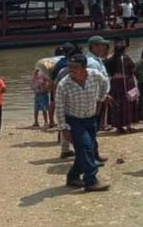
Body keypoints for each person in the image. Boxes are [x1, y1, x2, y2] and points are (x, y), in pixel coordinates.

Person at [56, 54, 111, 192]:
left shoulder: (94, 75)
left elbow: (106, 82)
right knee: (85, 148)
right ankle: (91, 180)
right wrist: (64, 128)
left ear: (84, 68)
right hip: (74, 120)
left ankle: (73, 177)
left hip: (90, 118)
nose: (71, 70)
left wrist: (101, 98)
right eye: (70, 67)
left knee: (87, 150)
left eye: (75, 67)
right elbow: (59, 107)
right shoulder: (64, 84)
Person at [105, 38, 138, 133]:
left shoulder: (110, 59)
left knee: (117, 103)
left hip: (115, 83)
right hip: (126, 83)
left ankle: (118, 125)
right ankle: (128, 125)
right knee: (128, 102)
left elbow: (108, 70)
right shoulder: (126, 58)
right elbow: (133, 69)